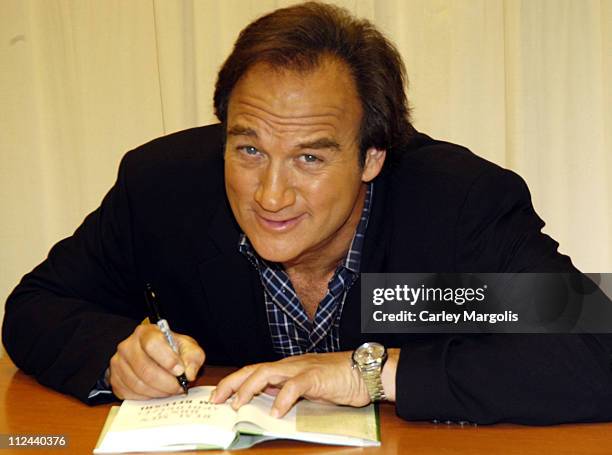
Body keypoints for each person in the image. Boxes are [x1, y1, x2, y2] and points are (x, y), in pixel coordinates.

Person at [3, 2, 612, 425]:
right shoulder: (163, 188)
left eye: (310, 159)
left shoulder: (456, 205)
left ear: (373, 156)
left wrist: (370, 374)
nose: (270, 195)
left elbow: (596, 353)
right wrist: (119, 353)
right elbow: (35, 307)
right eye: (248, 149)